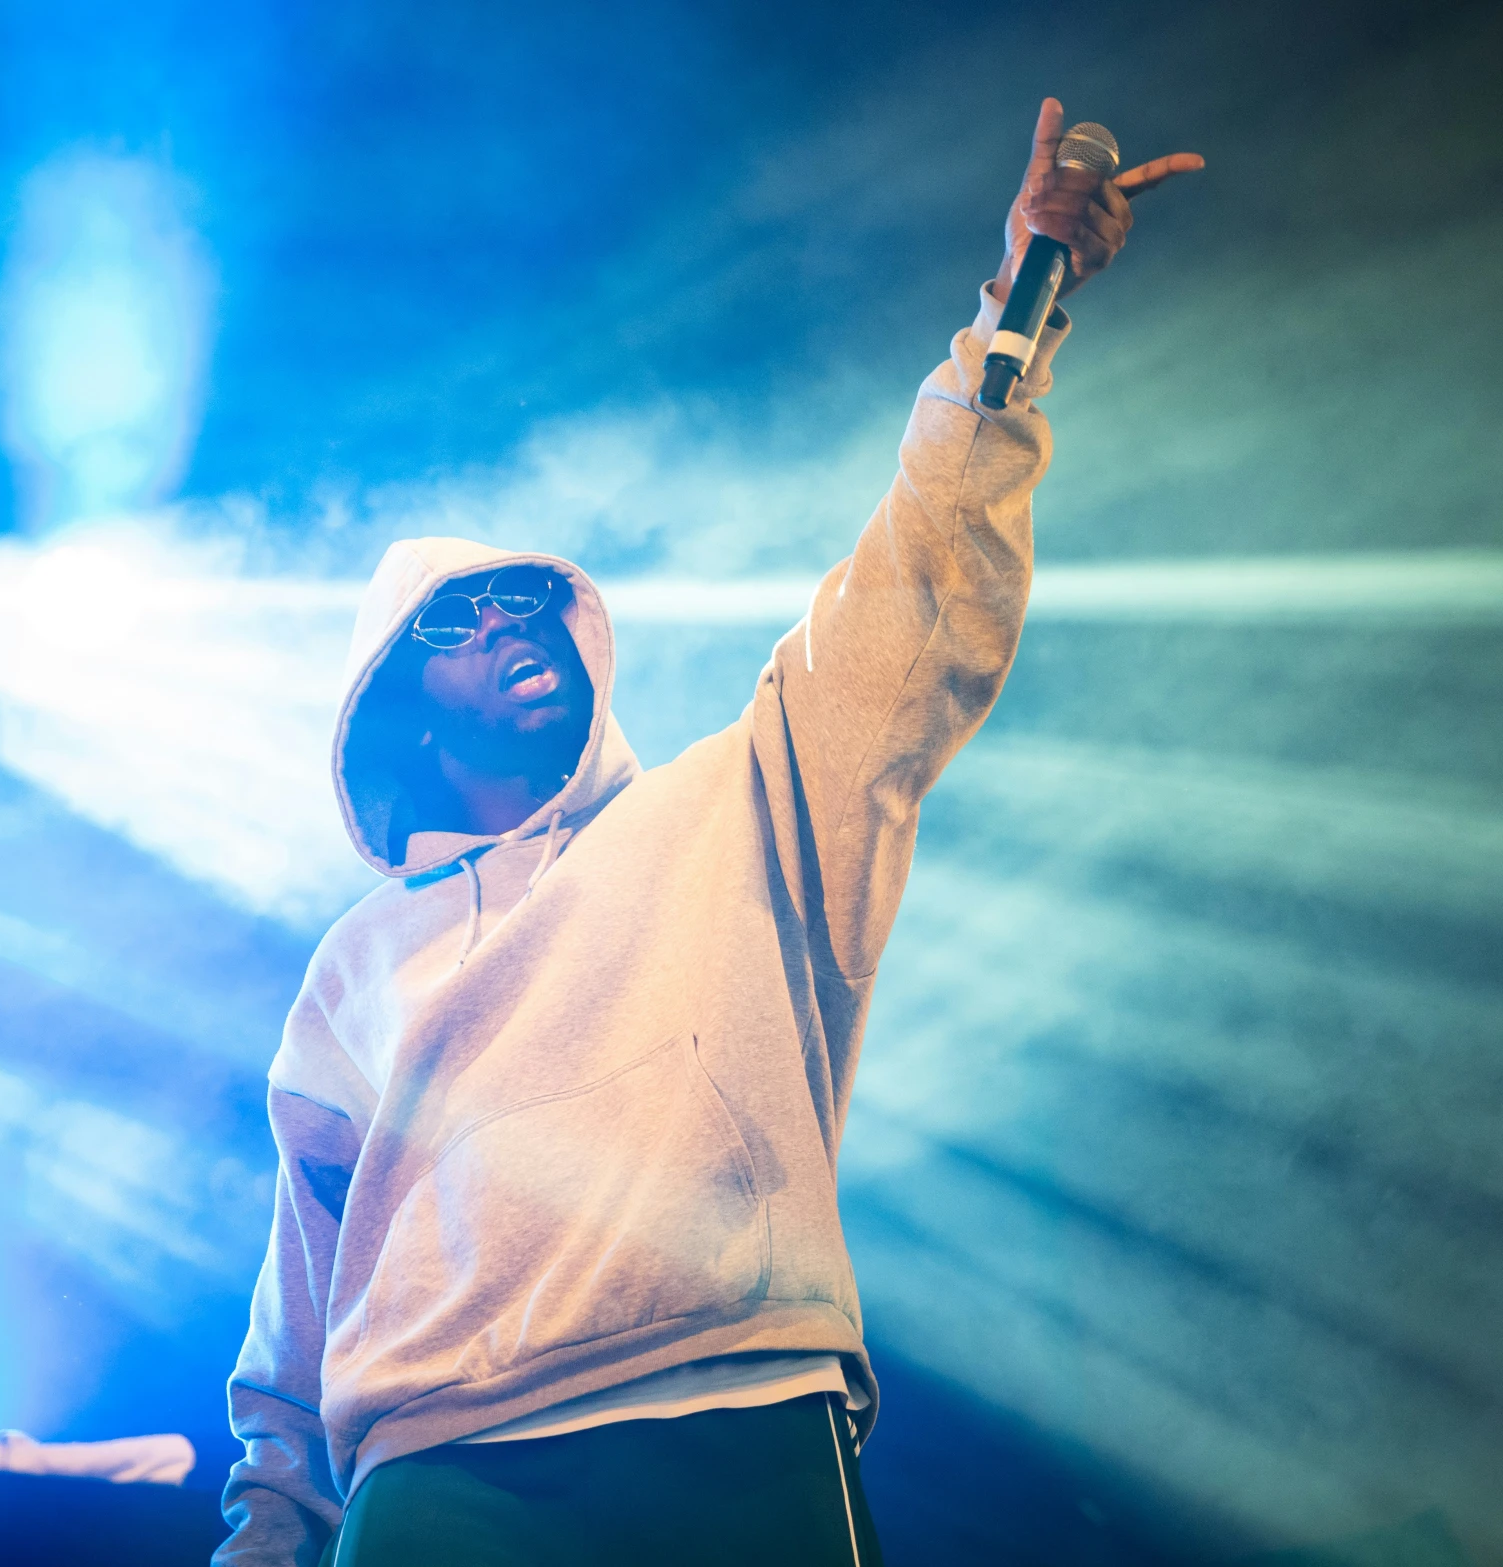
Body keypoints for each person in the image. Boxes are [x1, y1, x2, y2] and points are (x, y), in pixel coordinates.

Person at [217, 98, 1203, 1567]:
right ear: (404, 711)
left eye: (522, 594)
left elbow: (911, 585)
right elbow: (301, 1286)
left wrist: (1016, 313)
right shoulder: (358, 963)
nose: (506, 621)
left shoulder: (742, 801)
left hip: (734, 1406)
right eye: (453, 621)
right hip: (437, 1461)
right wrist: (268, 1529)